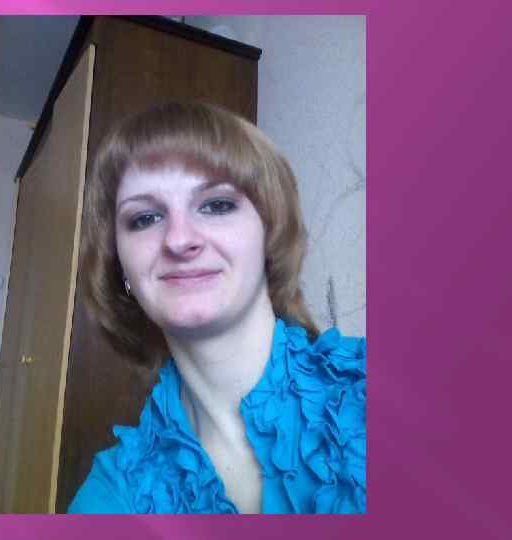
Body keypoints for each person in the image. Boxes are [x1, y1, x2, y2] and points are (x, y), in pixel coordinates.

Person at [68, 102, 366, 514]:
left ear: (270, 233)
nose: (179, 240)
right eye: (145, 218)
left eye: (217, 205)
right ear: (119, 266)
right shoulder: (114, 493)